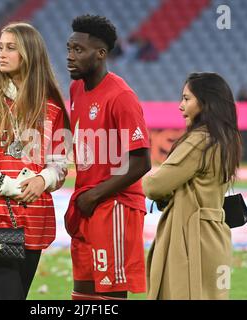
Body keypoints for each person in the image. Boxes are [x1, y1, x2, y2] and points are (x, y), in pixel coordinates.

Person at [0, 22, 69, 300]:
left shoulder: (52, 105)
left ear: (30, 54)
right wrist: (10, 186)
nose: (1, 54)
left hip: (32, 219)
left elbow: (59, 164)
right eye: (0, 48)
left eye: (11, 48)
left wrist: (44, 179)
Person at [66, 14, 151, 300]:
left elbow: (141, 161)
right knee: (83, 295)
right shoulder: (76, 88)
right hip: (87, 204)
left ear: (101, 54)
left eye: (79, 50)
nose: (70, 56)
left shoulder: (121, 96)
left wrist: (95, 195)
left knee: (110, 296)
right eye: (69, 48)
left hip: (114, 205)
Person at [142, 72, 242, 299]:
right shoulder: (228, 138)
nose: (180, 106)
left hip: (191, 240)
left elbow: (154, 186)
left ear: (205, 103)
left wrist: (150, 182)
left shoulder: (200, 140)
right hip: (215, 235)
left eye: (187, 99)